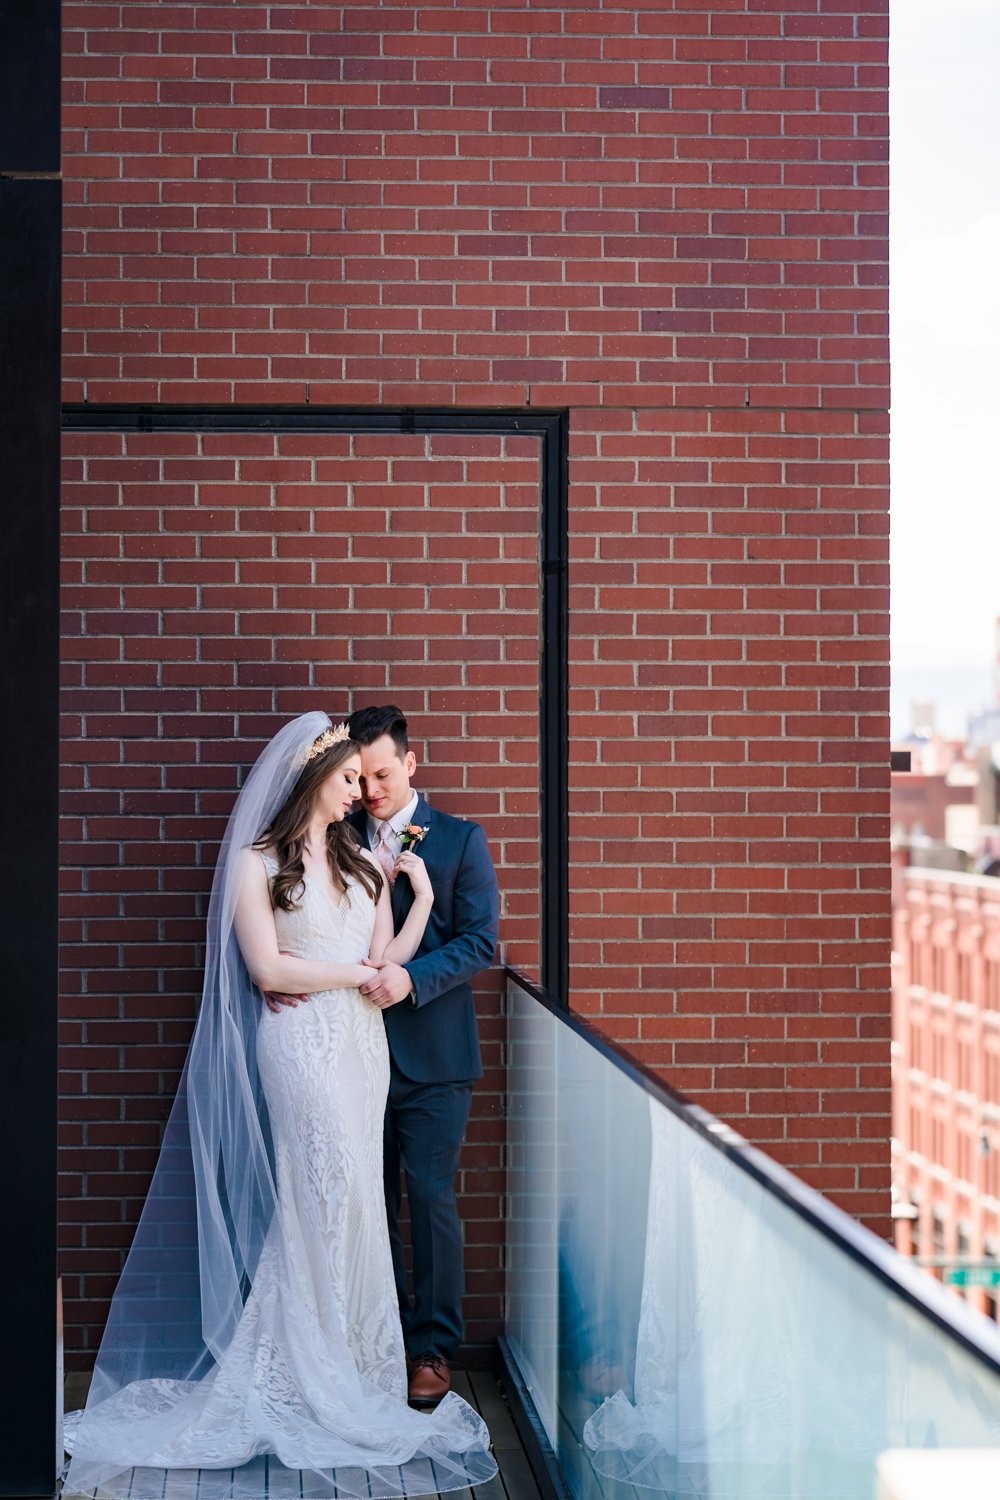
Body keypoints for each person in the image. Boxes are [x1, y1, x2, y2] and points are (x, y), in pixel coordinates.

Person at [62, 712, 497, 1500]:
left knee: (357, 1202)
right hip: (303, 1047)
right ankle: (303, 1366)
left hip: (360, 1048)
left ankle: (353, 1363)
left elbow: (388, 955)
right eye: (347, 779)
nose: (361, 792)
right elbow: (269, 972)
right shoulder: (256, 862)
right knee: (320, 1198)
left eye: (369, 779)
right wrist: (343, 980)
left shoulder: (364, 858)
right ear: (313, 781)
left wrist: (422, 899)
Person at [348, 705, 500, 1406]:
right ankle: (374, 1341)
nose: (371, 789)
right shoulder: (334, 834)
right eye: (362, 776)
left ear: (411, 764)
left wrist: (412, 977)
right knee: (366, 1204)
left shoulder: (462, 841)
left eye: (383, 772)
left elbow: (480, 943)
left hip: (436, 1059)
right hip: (351, 1055)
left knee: (432, 1202)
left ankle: (432, 1350)